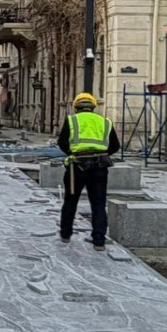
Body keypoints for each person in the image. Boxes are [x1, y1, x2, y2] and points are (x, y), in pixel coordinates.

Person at [58, 93, 120, 251]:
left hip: (76, 168)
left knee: (70, 201)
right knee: (98, 204)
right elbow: (115, 146)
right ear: (93, 107)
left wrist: (73, 153)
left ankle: (65, 234)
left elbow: (62, 142)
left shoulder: (72, 120)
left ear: (76, 107)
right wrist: (100, 154)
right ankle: (99, 241)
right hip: (99, 168)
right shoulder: (105, 121)